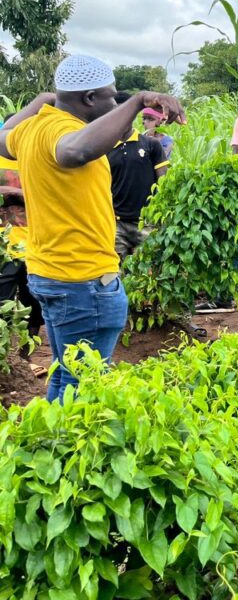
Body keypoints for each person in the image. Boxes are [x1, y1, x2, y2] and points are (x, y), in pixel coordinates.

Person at [0, 54, 184, 402]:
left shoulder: (32, 129)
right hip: (82, 282)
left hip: (51, 275)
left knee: (64, 374)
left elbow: (2, 135)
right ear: (88, 99)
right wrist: (136, 101)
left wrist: (42, 102)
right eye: (110, 96)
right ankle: (67, 451)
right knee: (84, 387)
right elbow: (75, 150)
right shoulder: (64, 133)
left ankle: (53, 447)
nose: (114, 103)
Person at [107, 92, 169, 260]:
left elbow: (164, 183)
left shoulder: (151, 145)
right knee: (114, 273)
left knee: (150, 270)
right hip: (115, 224)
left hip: (147, 222)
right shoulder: (104, 149)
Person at [0, 151, 44, 373]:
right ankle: (4, 359)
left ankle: (24, 358)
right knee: (2, 305)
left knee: (34, 305)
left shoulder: (35, 158)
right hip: (3, 248)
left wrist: (17, 193)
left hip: (35, 245)